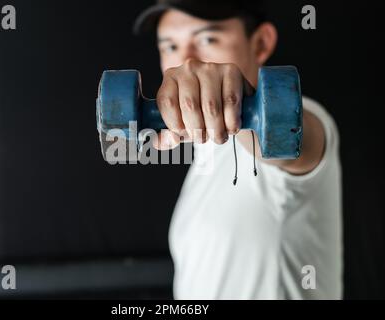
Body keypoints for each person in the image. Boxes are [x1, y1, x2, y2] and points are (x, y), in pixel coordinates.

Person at [133, 0, 342, 299]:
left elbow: (293, 145)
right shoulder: (208, 147)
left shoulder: (305, 120)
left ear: (260, 43)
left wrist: (240, 96)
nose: (186, 62)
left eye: (208, 39)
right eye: (170, 47)